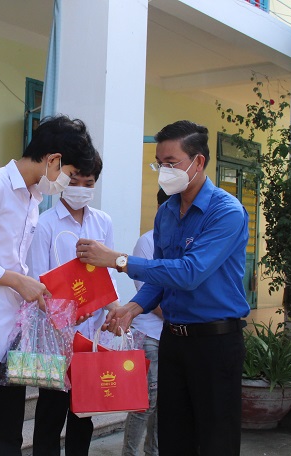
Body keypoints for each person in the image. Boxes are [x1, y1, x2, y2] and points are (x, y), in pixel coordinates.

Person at [75, 120, 250, 456]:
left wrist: (118, 260)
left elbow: (189, 273)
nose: (164, 171)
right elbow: (160, 276)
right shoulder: (167, 211)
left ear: (198, 162)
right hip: (173, 341)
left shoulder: (226, 212)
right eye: (160, 163)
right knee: (172, 436)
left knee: (216, 439)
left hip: (215, 343)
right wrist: (133, 307)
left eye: (172, 163)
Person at [0, 115, 97, 456]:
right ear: (53, 159)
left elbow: (14, 264)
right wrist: (14, 280)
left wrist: (41, 291)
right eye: (69, 174)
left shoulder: (32, 198)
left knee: (8, 433)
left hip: (14, 335)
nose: (67, 183)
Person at [27, 152, 118, 456]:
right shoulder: (45, 222)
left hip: (90, 335)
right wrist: (66, 313)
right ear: (64, 180)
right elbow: (37, 277)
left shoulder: (102, 221)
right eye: (74, 180)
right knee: (51, 410)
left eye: (88, 182)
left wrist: (111, 307)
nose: (80, 187)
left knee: (84, 411)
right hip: (55, 333)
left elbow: (108, 275)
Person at [121, 188, 169, 456]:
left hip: (172, 338)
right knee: (143, 405)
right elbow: (150, 296)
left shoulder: (184, 242)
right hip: (150, 337)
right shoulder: (147, 242)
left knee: (165, 406)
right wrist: (180, 314)